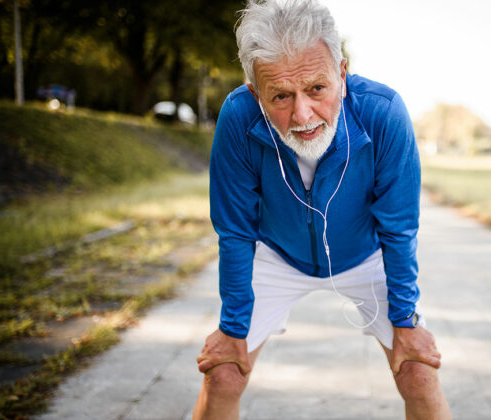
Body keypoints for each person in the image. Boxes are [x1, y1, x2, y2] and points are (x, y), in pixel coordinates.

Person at [193, 1, 451, 419]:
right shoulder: (238, 117)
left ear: (342, 75)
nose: (302, 114)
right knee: (224, 374)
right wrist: (232, 327)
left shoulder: (383, 113)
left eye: (317, 89)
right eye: (280, 95)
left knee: (417, 372)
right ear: (256, 93)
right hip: (277, 253)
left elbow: (399, 229)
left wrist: (406, 320)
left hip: (364, 255)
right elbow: (236, 232)